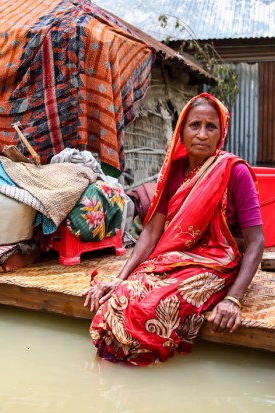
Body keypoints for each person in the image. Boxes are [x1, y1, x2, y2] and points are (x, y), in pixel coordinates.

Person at [83, 93, 264, 365]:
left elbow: (257, 242)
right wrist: (121, 278)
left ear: (221, 133)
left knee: (156, 304)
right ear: (181, 130)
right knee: (124, 294)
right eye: (195, 125)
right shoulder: (174, 170)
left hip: (217, 264)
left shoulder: (235, 172)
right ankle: (115, 369)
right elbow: (151, 232)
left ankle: (133, 368)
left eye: (211, 127)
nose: (202, 134)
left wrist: (233, 300)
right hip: (174, 257)